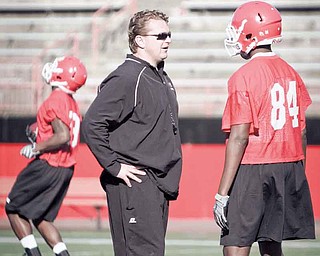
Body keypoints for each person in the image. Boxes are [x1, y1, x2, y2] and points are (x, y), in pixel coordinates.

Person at [213, 1, 315, 256]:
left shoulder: (244, 76)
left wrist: (222, 193)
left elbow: (238, 137)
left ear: (250, 33)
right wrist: (298, 172)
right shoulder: (292, 73)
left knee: (236, 242)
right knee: (271, 243)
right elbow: (301, 131)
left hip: (254, 168)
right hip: (289, 166)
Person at [82, 9, 182, 256]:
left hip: (157, 184)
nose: (167, 40)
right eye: (159, 36)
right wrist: (114, 166)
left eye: (169, 34)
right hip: (136, 183)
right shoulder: (128, 76)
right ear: (139, 41)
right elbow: (93, 123)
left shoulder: (160, 76)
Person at [5, 56, 87, 256]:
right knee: (41, 217)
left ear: (63, 75)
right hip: (65, 168)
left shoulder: (56, 99)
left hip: (48, 165)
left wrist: (36, 147)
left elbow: (62, 136)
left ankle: (32, 254)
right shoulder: (71, 102)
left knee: (13, 207)